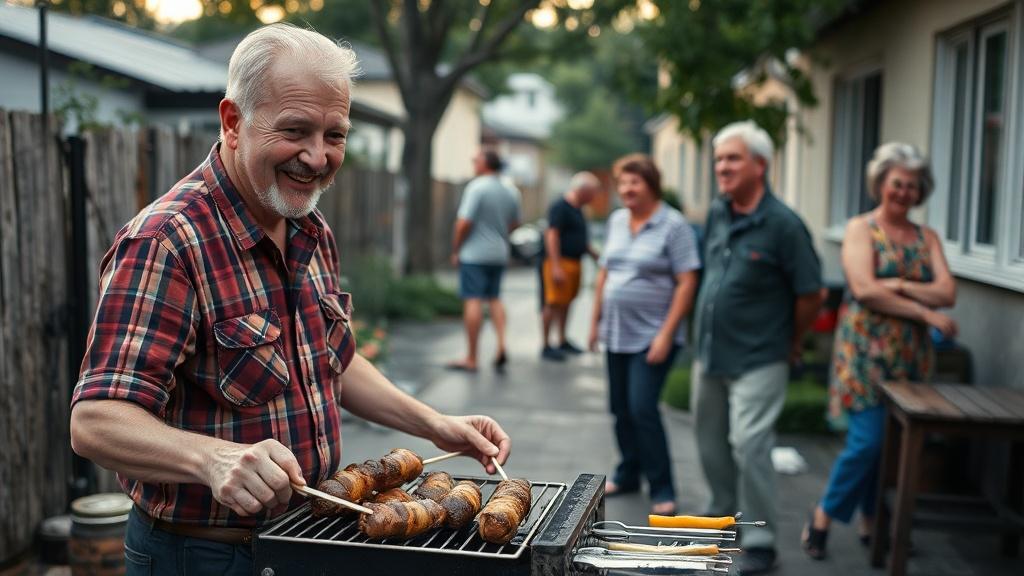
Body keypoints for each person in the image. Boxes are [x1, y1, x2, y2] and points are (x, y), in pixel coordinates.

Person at [68, 24, 511, 576]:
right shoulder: (167, 243)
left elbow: (333, 362)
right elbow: (95, 421)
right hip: (199, 554)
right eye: (295, 130)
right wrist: (212, 459)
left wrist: (435, 424)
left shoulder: (310, 229)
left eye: (335, 135)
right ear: (234, 122)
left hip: (304, 538)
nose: (318, 157)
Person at [801, 143, 957, 560]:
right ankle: (822, 517)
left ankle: (873, 523)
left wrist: (899, 285)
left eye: (912, 185)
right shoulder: (860, 229)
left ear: (920, 191)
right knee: (867, 443)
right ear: (881, 184)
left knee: (891, 445)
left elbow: (949, 291)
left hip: (911, 358)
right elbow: (866, 290)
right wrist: (923, 309)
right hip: (865, 355)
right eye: (896, 183)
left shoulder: (928, 237)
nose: (903, 192)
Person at [692, 120, 825, 575]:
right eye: (719, 159)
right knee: (709, 440)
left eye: (732, 158)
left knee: (749, 444)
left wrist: (790, 340)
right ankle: (723, 514)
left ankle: (761, 537)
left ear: (760, 165)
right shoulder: (717, 212)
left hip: (761, 355)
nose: (722, 167)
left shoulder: (785, 225)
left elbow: (811, 293)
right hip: (711, 352)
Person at [588, 154, 701, 516]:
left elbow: (687, 281)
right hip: (617, 332)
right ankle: (629, 472)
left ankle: (663, 484)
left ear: (651, 184)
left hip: (653, 335)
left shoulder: (673, 225)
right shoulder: (618, 220)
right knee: (620, 408)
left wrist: (667, 334)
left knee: (642, 408)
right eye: (622, 183)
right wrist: (594, 321)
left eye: (633, 183)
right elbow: (605, 272)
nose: (626, 190)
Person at [446, 150, 522, 372]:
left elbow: (464, 223)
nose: (473, 163)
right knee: (495, 298)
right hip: (499, 253)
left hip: (474, 254)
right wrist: (498, 235)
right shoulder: (511, 189)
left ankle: (472, 357)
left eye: (476, 160)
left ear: (487, 164)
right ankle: (500, 345)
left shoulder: (477, 187)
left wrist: (456, 249)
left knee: (473, 300)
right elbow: (515, 222)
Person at [539, 171, 601, 361]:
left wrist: (596, 257)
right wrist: (556, 266)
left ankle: (562, 340)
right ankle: (546, 345)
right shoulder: (560, 207)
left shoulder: (578, 209)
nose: (594, 197)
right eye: (592, 192)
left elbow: (581, 240)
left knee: (566, 302)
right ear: (582, 190)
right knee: (553, 302)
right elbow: (552, 235)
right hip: (560, 262)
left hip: (574, 261)